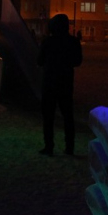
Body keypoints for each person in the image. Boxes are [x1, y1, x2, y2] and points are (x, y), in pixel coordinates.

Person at [37, 13, 83, 156]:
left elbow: (39, 61)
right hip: (65, 82)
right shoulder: (73, 42)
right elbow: (77, 61)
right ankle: (69, 147)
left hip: (49, 82)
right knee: (68, 116)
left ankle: (49, 146)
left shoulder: (47, 42)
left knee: (48, 116)